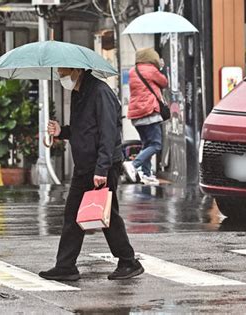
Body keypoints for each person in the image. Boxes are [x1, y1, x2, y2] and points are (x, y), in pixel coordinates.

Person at [39, 68, 144, 281]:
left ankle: (128, 261)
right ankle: (66, 265)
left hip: (101, 165)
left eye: (63, 71)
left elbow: (109, 133)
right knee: (73, 215)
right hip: (84, 166)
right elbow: (83, 129)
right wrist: (62, 131)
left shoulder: (100, 92)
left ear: (77, 70)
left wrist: (101, 169)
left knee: (107, 216)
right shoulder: (79, 93)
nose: (61, 76)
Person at [122, 48, 168, 185]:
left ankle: (147, 175)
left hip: (136, 114)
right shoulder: (152, 71)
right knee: (156, 144)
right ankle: (133, 165)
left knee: (147, 144)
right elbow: (164, 82)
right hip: (149, 112)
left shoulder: (133, 71)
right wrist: (161, 68)